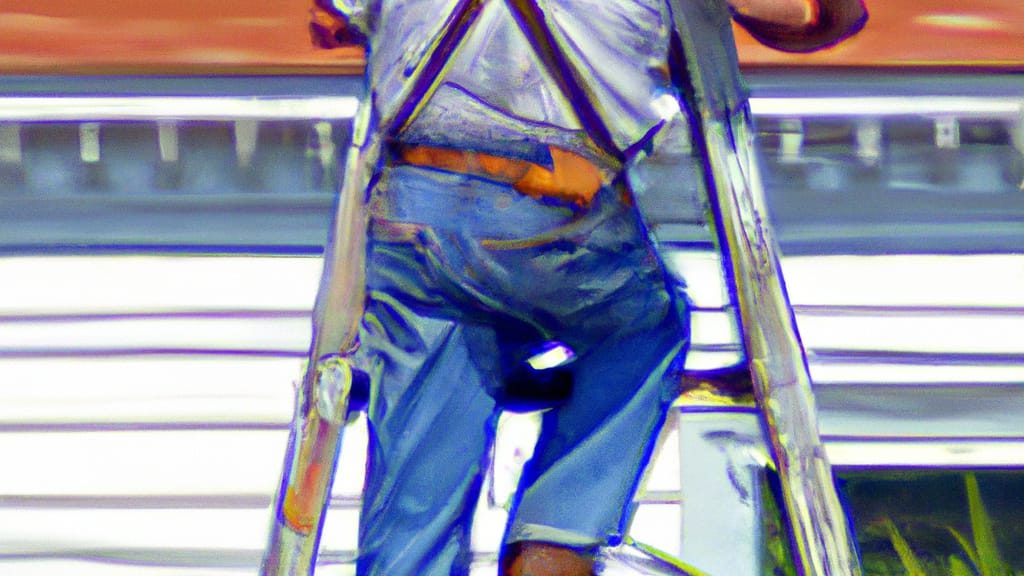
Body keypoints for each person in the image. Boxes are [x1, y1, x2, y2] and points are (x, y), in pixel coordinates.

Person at [308, 1, 867, 575]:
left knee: (426, 432)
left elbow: (327, 22)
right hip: (546, 201)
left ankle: (440, 508)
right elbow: (808, 16)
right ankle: (553, 545)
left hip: (412, 206)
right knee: (644, 329)